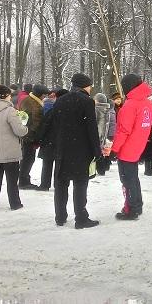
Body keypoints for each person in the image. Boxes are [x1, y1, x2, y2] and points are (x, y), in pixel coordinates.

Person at [52, 73, 101, 229]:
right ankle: (81, 218)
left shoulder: (60, 100)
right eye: (90, 85)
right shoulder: (87, 101)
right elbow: (91, 128)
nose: (91, 88)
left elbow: (55, 125)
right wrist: (96, 151)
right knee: (80, 184)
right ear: (84, 86)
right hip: (81, 150)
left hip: (62, 149)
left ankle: (60, 216)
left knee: (61, 183)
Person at [110, 74, 152, 220]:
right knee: (133, 178)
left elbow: (123, 130)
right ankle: (137, 205)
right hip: (138, 145)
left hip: (127, 148)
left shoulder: (130, 105)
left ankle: (131, 209)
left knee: (127, 180)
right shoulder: (147, 103)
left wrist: (114, 149)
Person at [0, 85, 28, 211]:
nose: (10, 97)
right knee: (12, 180)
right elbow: (19, 131)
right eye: (9, 95)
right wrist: (25, 127)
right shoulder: (10, 111)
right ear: (3, 96)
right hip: (10, 151)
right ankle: (15, 203)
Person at [37, 89, 69, 191]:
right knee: (59, 166)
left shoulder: (52, 110)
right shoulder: (69, 112)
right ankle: (58, 185)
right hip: (62, 142)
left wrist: (40, 139)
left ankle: (44, 185)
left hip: (49, 142)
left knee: (47, 164)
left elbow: (44, 126)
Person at [18, 84, 49, 189]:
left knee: (27, 158)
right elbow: (35, 122)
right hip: (29, 136)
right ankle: (23, 181)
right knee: (28, 159)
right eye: (44, 95)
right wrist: (36, 137)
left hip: (27, 134)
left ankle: (24, 179)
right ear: (40, 95)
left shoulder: (28, 100)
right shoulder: (33, 104)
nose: (45, 97)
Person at [93, 93, 112, 176]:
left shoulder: (96, 109)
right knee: (101, 152)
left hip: (97, 132)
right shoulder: (107, 109)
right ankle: (102, 170)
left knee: (96, 153)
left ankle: (97, 169)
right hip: (104, 133)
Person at [141, 96, 152, 176]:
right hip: (147, 136)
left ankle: (151, 168)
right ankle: (147, 169)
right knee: (148, 154)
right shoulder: (146, 112)